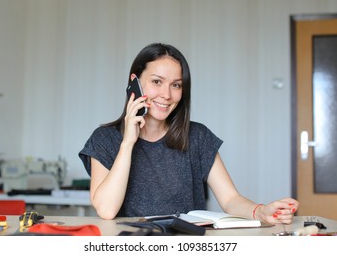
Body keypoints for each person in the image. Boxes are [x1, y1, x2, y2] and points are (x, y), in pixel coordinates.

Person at [79, 42, 300, 222]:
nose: (166, 94)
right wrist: (127, 143)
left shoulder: (198, 137)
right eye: (157, 82)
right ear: (134, 83)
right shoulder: (104, 139)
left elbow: (230, 198)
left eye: (176, 85)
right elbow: (106, 210)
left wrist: (261, 212)